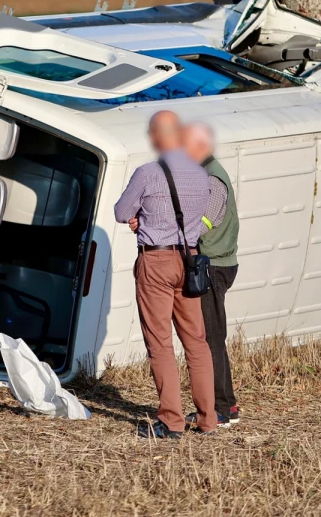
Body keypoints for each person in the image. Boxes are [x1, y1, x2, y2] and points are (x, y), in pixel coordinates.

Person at [114, 110, 228, 439]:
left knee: (161, 343)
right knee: (197, 342)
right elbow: (208, 215)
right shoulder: (201, 175)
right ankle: (208, 418)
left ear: (157, 137)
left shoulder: (148, 173)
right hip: (190, 260)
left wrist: (141, 219)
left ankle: (171, 421)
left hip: (157, 260)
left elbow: (122, 211)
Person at [182, 121, 241, 428]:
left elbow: (204, 222)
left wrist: (171, 233)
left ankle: (222, 408)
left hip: (214, 266)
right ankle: (225, 404)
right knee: (210, 337)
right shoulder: (206, 173)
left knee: (211, 339)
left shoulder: (213, 179)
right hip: (217, 263)